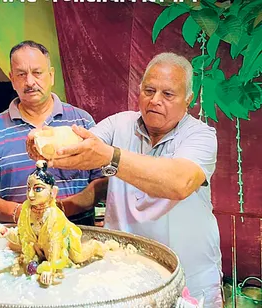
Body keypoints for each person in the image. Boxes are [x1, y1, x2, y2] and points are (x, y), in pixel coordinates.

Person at [27, 53, 223, 307]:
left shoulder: (201, 136)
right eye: (149, 90)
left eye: (168, 94)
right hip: (124, 274)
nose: (155, 100)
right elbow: (81, 145)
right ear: (139, 91)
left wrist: (111, 157)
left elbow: (180, 182)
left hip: (189, 276)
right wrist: (45, 140)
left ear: (188, 100)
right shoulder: (120, 124)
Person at [0, 40, 107, 226]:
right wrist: (22, 213)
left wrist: (61, 209)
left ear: (51, 76)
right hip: (17, 238)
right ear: (12, 79)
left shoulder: (81, 122)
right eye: (21, 74)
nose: (30, 82)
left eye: (37, 73)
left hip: (77, 233)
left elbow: (102, 182)